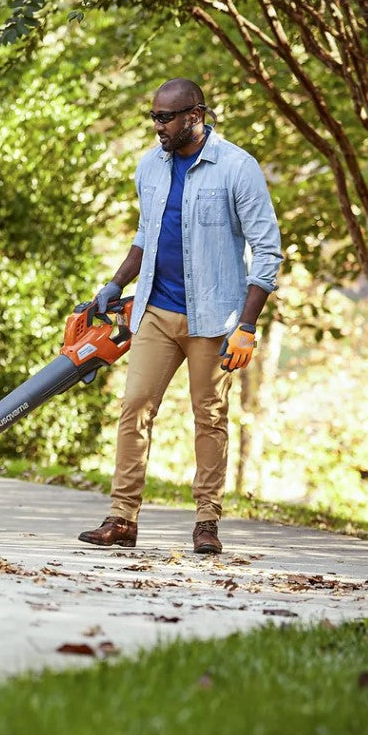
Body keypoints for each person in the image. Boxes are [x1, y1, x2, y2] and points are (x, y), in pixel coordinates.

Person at [78, 78, 283, 554]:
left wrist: (247, 328)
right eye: (153, 117)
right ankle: (122, 519)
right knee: (134, 407)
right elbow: (145, 236)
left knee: (209, 416)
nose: (158, 127)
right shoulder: (151, 166)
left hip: (214, 319)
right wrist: (114, 285)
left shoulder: (237, 167)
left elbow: (267, 253)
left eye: (166, 118)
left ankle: (207, 522)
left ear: (196, 115)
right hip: (155, 310)